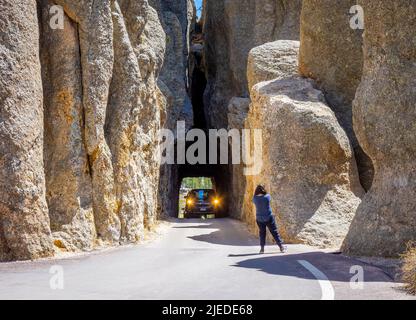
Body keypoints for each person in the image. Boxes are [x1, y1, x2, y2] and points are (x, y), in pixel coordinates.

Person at [252, 185, 287, 254]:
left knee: (262, 233)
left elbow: (255, 198)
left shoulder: (255, 198)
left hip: (259, 218)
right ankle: (281, 247)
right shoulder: (267, 197)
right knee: (274, 232)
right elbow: (268, 195)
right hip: (268, 217)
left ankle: (262, 249)